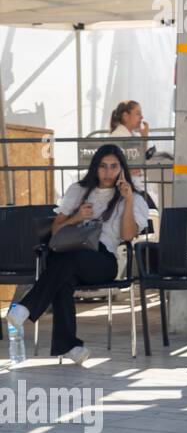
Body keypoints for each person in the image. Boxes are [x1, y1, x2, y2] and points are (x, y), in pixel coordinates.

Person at [6, 144, 148, 366]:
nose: (108, 172)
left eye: (114, 167)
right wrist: (77, 217)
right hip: (69, 254)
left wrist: (128, 200)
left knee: (66, 263)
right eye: (103, 166)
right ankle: (69, 346)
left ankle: (27, 306)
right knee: (64, 275)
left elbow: (128, 236)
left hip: (103, 261)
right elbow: (55, 231)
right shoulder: (79, 190)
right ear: (95, 167)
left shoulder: (134, 199)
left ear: (122, 169)